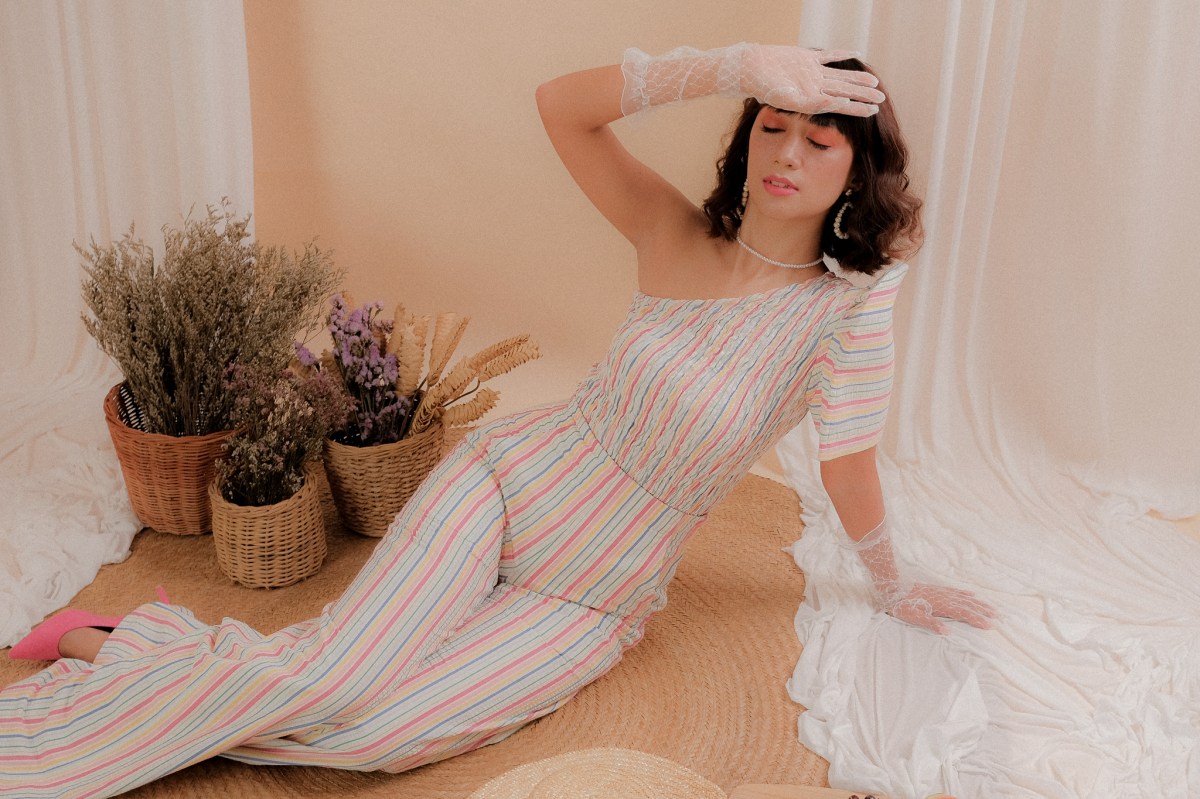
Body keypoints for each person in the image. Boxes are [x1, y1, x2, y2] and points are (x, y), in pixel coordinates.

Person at [0, 44, 994, 797]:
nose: (786, 153)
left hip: (592, 591)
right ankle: (96, 675)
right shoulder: (675, 233)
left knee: (373, 736)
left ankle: (123, 646)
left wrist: (892, 579)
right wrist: (734, 65)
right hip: (508, 487)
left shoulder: (842, 315)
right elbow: (563, 109)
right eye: (772, 125)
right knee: (337, 674)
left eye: (819, 140)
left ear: (855, 172)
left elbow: (849, 462)